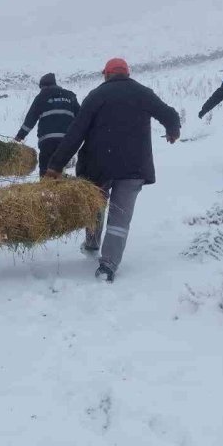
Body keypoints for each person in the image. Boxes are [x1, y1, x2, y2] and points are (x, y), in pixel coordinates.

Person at [45, 58, 180, 283]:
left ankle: (91, 243)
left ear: (106, 74)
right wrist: (173, 130)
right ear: (126, 73)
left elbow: (75, 133)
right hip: (134, 167)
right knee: (120, 218)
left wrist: (55, 166)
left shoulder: (96, 96)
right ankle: (108, 265)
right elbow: (169, 114)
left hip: (99, 165)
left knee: (95, 206)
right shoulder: (142, 93)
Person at [14, 73, 80, 176]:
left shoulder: (41, 97)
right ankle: (60, 188)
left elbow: (30, 119)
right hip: (66, 141)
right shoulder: (70, 96)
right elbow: (80, 118)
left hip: (47, 141)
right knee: (59, 168)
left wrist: (20, 136)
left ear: (44, 86)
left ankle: (46, 189)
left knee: (45, 169)